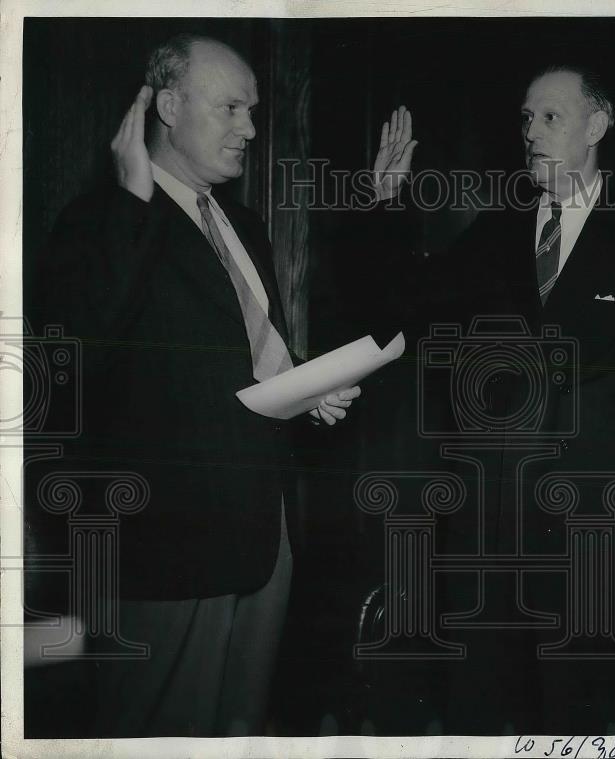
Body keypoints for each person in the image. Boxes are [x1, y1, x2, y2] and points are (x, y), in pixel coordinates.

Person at [34, 33, 359, 736]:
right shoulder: (100, 220)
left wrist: (308, 384)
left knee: (237, 729)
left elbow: (243, 350)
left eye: (253, 109)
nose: (249, 127)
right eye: (231, 107)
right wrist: (131, 202)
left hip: (262, 537)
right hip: (166, 547)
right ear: (170, 106)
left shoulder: (241, 222)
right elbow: (72, 358)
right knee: (160, 732)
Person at [360, 65, 615, 733]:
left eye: (550, 118)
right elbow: (403, 308)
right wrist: (386, 203)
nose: (530, 134)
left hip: (589, 531)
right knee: (477, 707)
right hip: (485, 527)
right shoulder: (493, 234)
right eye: (524, 119)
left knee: (577, 709)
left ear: (596, 126)